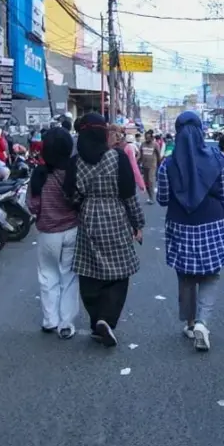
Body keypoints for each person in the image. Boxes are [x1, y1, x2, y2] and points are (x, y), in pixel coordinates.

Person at [157, 111, 224, 352]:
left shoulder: (168, 165)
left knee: (185, 275)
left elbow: (162, 199)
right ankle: (203, 323)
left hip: (180, 226)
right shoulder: (219, 161)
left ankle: (191, 323)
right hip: (213, 225)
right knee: (211, 275)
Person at [64, 113, 145, 348]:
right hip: (116, 218)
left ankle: (96, 318)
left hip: (88, 218)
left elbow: (70, 195)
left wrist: (84, 203)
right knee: (119, 273)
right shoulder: (117, 158)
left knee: (89, 272)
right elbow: (129, 195)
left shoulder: (75, 162)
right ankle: (106, 319)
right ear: (102, 133)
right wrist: (137, 224)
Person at [27, 128, 79, 339]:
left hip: (48, 233)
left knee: (48, 275)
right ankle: (66, 324)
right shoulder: (73, 172)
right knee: (69, 276)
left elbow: (32, 206)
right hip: (73, 230)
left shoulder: (39, 174)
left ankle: (50, 321)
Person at [110, 126, 145, 193]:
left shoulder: (109, 148)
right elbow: (133, 166)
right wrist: (140, 183)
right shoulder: (128, 147)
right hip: (122, 181)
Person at [140, 130, 161, 204]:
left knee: (150, 181)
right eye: (146, 137)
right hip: (144, 166)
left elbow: (158, 156)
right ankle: (150, 196)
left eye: (148, 137)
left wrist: (159, 165)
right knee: (146, 182)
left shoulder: (155, 145)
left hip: (152, 166)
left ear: (152, 137)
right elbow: (140, 155)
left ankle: (152, 198)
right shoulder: (142, 144)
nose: (147, 139)